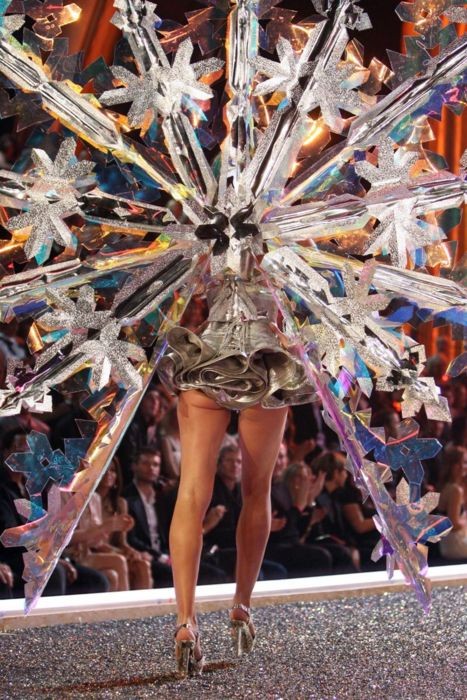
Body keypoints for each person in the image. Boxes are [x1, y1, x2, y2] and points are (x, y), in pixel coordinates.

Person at [96, 457, 153, 589]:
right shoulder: (89, 501)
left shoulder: (120, 503)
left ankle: (142, 603)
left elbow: (122, 542)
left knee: (143, 564)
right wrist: (119, 552)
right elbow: (94, 543)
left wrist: (132, 552)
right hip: (96, 552)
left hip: (114, 551)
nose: (108, 474)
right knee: (122, 560)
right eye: (104, 469)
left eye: (112, 470)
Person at [437, 446, 467, 560]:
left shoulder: (446, 486)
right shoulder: (455, 490)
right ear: (455, 466)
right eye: (464, 462)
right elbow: (453, 523)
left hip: (446, 544)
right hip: (454, 543)